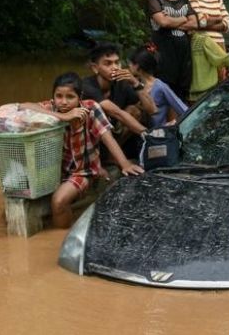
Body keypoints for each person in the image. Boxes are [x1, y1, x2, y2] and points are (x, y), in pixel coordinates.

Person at [20, 72, 143, 229]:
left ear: (80, 97)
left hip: (83, 171)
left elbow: (108, 137)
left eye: (70, 97)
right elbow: (21, 107)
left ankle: (60, 240)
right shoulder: (51, 108)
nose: (63, 102)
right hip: (55, 172)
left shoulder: (91, 108)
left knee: (59, 201)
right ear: (53, 97)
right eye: (59, 96)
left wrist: (125, 164)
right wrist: (61, 116)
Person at [147, 0, 204, 101]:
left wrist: (172, 21)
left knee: (182, 91)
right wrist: (183, 19)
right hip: (164, 55)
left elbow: (195, 23)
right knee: (165, 91)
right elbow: (162, 22)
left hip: (184, 55)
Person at [83, 42, 154, 156]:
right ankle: (109, 157)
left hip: (114, 135)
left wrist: (136, 83)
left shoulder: (121, 83)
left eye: (117, 62)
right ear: (95, 68)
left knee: (134, 110)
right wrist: (148, 134)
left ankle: (113, 156)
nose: (115, 67)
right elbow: (117, 113)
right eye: (108, 64)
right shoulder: (87, 86)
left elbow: (152, 110)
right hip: (92, 139)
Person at [186, 0, 229, 81]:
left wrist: (206, 22)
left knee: (220, 80)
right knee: (204, 81)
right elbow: (198, 21)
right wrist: (218, 19)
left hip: (220, 47)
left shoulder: (218, 1)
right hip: (202, 47)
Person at [129, 46, 188, 127]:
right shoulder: (134, 84)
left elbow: (181, 108)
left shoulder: (160, 86)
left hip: (158, 133)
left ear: (137, 66)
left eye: (131, 63)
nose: (129, 66)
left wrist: (172, 124)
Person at [189, 28, 229, 103]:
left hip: (189, 97)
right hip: (208, 96)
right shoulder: (204, 40)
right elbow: (224, 59)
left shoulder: (182, 40)